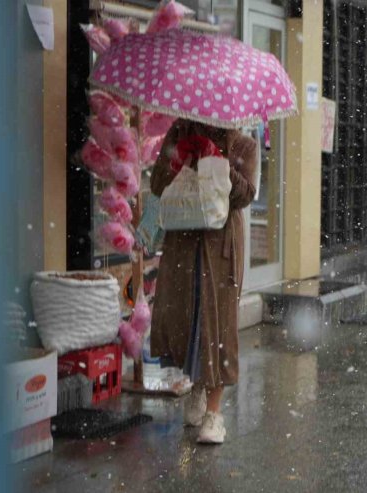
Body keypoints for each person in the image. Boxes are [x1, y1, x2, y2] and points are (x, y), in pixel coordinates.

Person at [150, 119, 257, 444]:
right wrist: (179, 159)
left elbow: (246, 195)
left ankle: (214, 413)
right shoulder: (179, 133)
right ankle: (196, 385)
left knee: (218, 324)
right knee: (185, 319)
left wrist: (219, 163)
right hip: (183, 240)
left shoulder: (244, 145)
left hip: (220, 246)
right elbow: (157, 184)